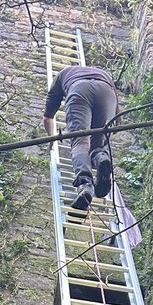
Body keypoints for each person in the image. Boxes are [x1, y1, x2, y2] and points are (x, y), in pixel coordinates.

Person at [43, 64, 118, 211]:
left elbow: (48, 118)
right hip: (106, 92)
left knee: (80, 141)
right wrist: (100, 142)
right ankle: (102, 158)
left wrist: (51, 141)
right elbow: (114, 126)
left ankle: (85, 186)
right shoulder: (104, 74)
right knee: (98, 145)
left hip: (79, 90)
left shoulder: (63, 74)